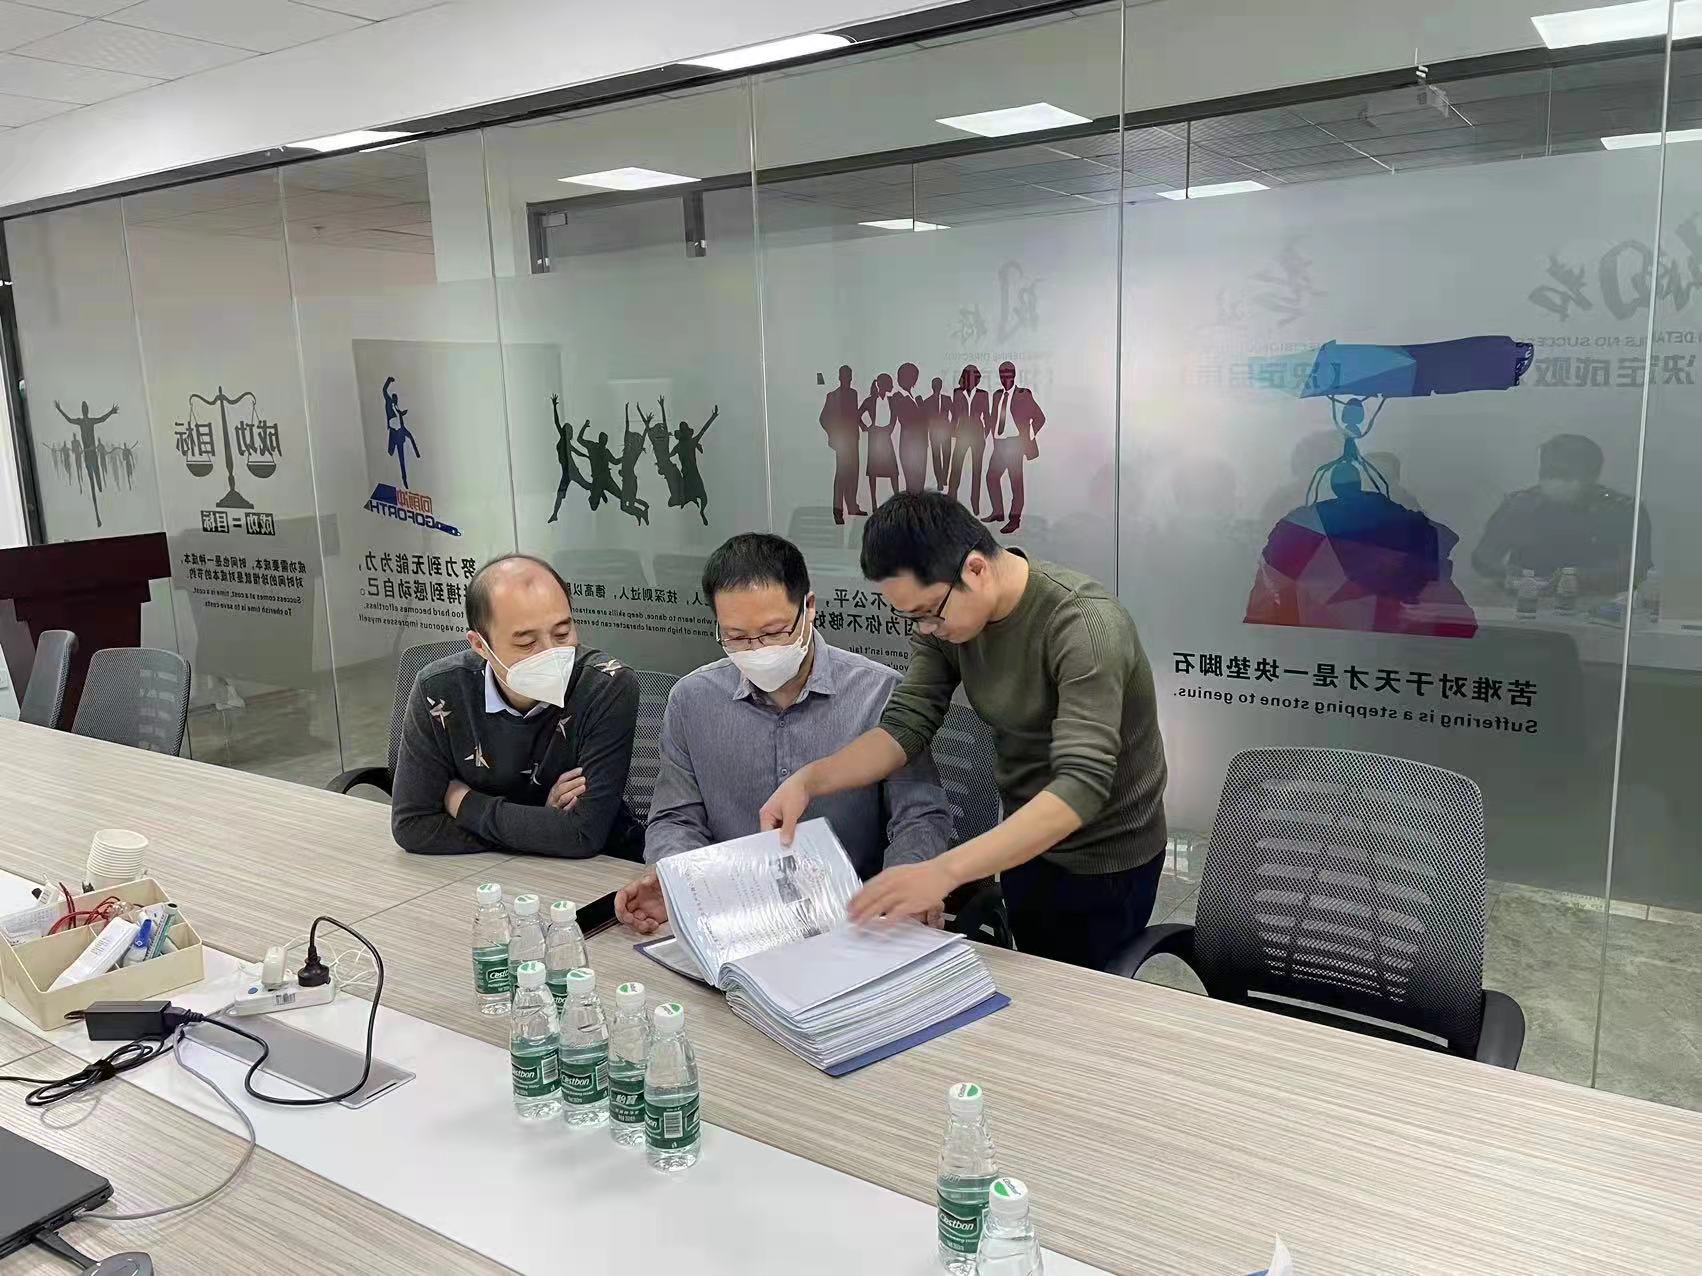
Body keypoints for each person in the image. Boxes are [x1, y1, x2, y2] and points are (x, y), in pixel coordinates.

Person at [760, 492, 1168, 971]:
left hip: (1106, 857)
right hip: (1021, 839)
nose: (925, 628)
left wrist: (944, 871)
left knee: (1081, 999)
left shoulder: (1083, 626)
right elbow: (905, 725)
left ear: (975, 569)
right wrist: (811, 780)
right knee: (1030, 978)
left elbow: (1081, 787)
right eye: (913, 616)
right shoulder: (949, 624)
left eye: (929, 611)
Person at [615, 533, 953, 934]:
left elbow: (920, 817)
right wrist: (679, 880)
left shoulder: (879, 693)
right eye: (737, 637)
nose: (757, 650)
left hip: (855, 919)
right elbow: (675, 818)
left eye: (774, 632)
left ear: (809, 608)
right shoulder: (692, 700)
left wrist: (904, 886)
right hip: (737, 918)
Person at [391, 554, 644, 860]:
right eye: (526, 643)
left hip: (595, 870)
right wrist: (541, 824)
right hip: (486, 873)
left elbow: (583, 834)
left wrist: (464, 803)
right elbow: (413, 826)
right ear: (480, 645)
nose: (551, 653)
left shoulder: (605, 686)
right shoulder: (438, 689)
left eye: (562, 633)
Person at [1471, 432, 1651, 596]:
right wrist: (1505, 572)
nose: (1555, 481)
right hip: (1525, 600)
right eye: (1549, 472)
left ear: (1591, 476)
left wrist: (1579, 577)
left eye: (1566, 475)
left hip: (1596, 605)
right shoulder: (1519, 506)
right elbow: (1483, 557)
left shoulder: (1622, 510)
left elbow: (1638, 568)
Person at [984, 360, 1044, 535]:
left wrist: (1027, 437)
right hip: (1000, 444)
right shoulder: (997, 395)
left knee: (1015, 483)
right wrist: (991, 433)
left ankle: (1014, 520)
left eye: (1008, 375)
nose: (1005, 379)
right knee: (991, 477)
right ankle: (998, 512)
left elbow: (1040, 418)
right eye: (1002, 375)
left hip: (1015, 443)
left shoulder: (1023, 395)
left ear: (1014, 375)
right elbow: (994, 416)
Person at [819, 365, 867, 524]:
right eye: (845, 375)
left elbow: (854, 415)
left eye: (849, 375)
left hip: (853, 439)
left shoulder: (854, 394)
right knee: (841, 475)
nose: (848, 378)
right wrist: (833, 435)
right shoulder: (832, 396)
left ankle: (852, 506)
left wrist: (863, 426)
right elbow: (823, 418)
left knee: (854, 473)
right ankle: (838, 511)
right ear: (840, 377)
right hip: (842, 441)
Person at [946, 364, 989, 515]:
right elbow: (955, 415)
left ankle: (975, 503)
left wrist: (986, 433)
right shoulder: (957, 393)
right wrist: (952, 430)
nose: (970, 380)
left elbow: (987, 415)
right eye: (967, 377)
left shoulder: (983, 394)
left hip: (978, 435)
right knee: (956, 467)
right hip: (962, 434)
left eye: (973, 378)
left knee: (977, 471)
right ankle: (951, 499)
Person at [672, 406, 719, 526]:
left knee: (699, 496)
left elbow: (703, 430)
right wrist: (713, 416)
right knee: (700, 496)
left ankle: (700, 510)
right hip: (690, 474)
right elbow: (703, 430)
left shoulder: (685, 444)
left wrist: (713, 416)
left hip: (690, 474)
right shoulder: (688, 444)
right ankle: (696, 507)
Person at [861, 372, 901, 510]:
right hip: (875, 436)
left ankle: (897, 500)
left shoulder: (891, 400)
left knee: (893, 472)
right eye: (890, 384)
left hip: (885, 435)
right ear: (882, 385)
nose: (892, 386)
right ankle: (873, 504)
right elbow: (858, 415)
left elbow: (894, 416)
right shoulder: (870, 400)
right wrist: (866, 428)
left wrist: (890, 427)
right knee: (873, 472)